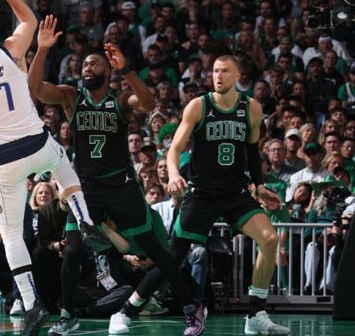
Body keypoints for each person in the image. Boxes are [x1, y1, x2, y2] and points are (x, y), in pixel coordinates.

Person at [0, 0, 107, 335]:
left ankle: (31, 304)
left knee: (11, 235)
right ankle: (85, 220)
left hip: (2, 160)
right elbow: (30, 21)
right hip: (36, 144)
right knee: (62, 163)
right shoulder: (10, 51)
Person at [29, 16, 203, 336]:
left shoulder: (119, 100)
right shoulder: (72, 97)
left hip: (121, 185)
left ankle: (192, 306)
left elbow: (148, 103)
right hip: (85, 188)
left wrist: (128, 70)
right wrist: (41, 50)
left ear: (108, 71)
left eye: (95, 63)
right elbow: (36, 90)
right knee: (73, 250)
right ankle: (68, 315)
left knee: (153, 248)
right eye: (84, 64)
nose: (87, 67)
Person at [111, 55, 290, 335]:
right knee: (173, 258)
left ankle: (256, 313)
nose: (218, 76)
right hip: (202, 193)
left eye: (225, 71)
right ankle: (126, 310)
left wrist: (259, 184)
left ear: (237, 75)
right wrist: (173, 174)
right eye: (215, 71)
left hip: (235, 192)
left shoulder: (251, 108)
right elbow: (175, 148)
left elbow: (252, 151)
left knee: (269, 238)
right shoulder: (199, 105)